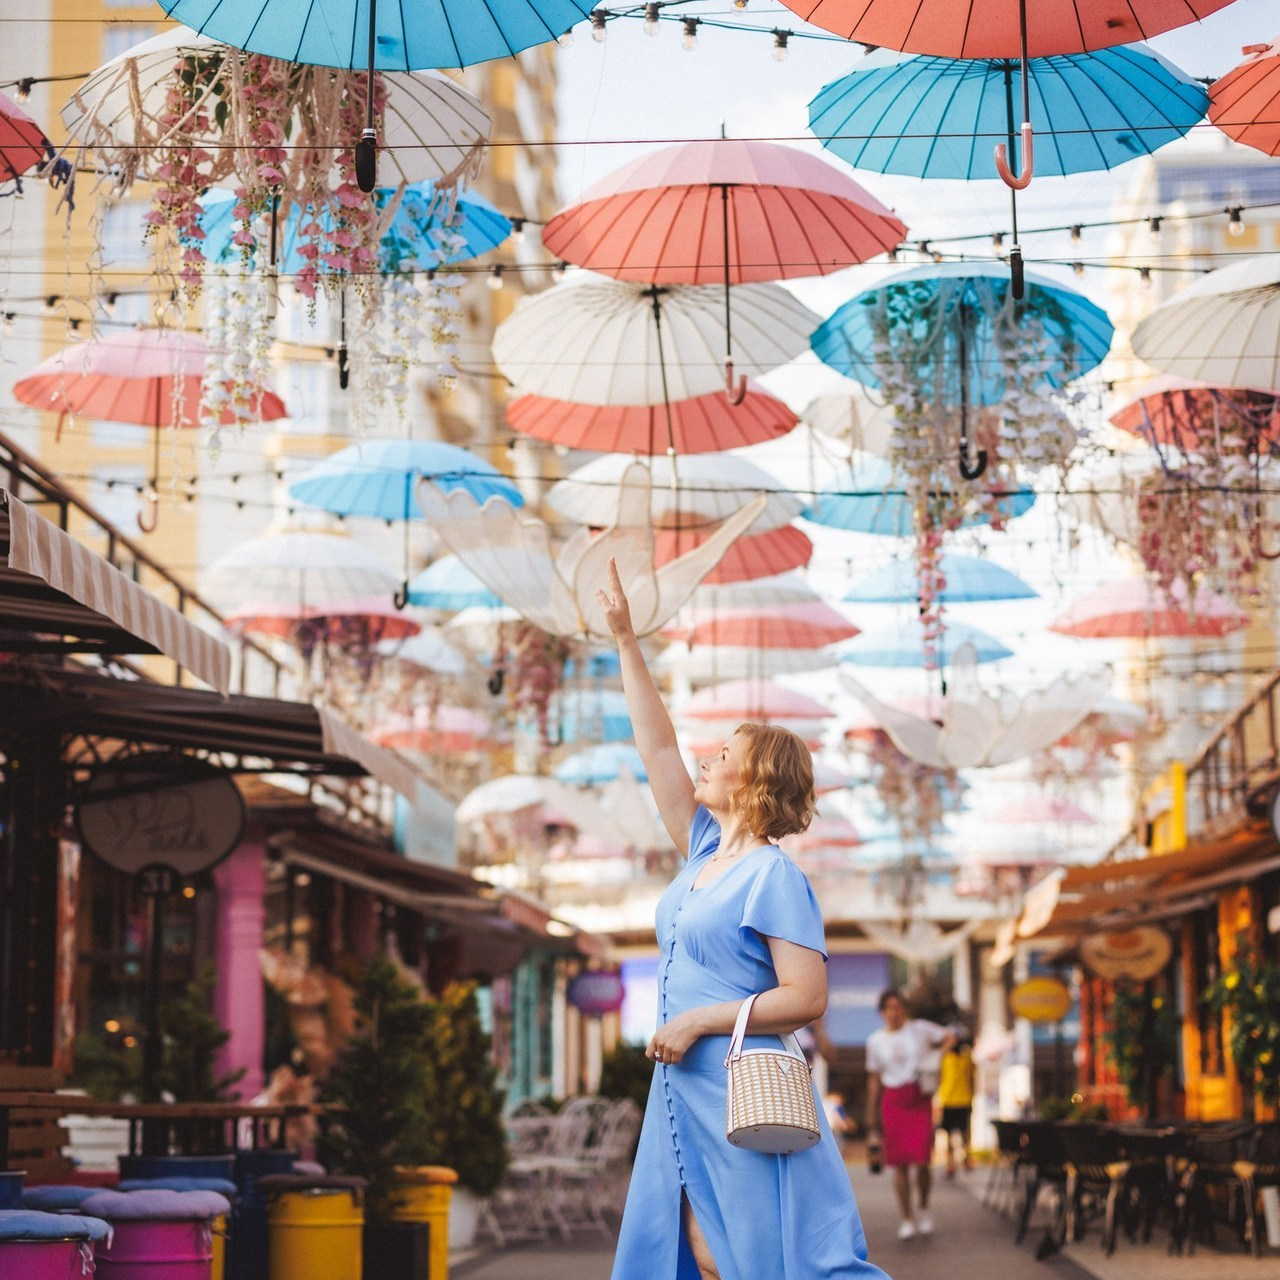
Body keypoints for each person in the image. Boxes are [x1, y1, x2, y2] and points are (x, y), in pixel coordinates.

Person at [598, 559, 890, 1280]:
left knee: (743, 1259)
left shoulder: (773, 874)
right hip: (682, 1088)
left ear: (753, 781)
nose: (704, 757)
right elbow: (658, 747)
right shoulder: (701, 852)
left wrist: (699, 1020)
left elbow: (808, 997)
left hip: (737, 1086)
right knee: (692, 1253)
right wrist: (627, 642)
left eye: (721, 754)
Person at [865, 990, 951, 1241]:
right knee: (899, 1164)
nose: (895, 1012)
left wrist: (937, 1056)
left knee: (923, 1159)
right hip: (892, 1100)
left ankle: (923, 1207)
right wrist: (872, 1116)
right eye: (890, 1007)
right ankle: (906, 1217)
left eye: (899, 1006)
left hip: (919, 1097)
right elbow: (874, 1079)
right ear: (882, 1012)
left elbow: (951, 1036)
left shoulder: (920, 1029)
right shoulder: (875, 1041)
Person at [935, 1035, 976, 1177]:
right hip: (949, 1100)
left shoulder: (966, 1058)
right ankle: (951, 1162)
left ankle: (965, 1159)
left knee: (964, 1133)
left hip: (962, 1099)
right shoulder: (946, 1059)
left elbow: (971, 1078)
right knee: (950, 1133)